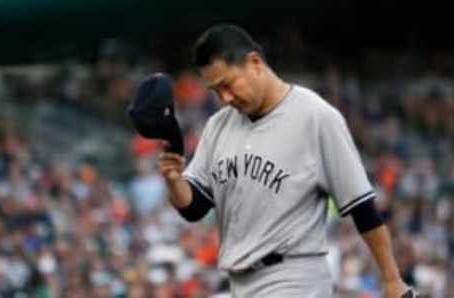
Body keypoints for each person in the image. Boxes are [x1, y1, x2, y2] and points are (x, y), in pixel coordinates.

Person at [158, 24, 415, 298]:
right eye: (215, 90)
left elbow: (362, 206)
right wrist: (175, 181)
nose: (225, 98)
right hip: (239, 283)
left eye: (227, 84)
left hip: (294, 277)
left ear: (254, 62)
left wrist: (391, 279)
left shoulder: (315, 116)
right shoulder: (218, 126)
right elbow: (194, 207)